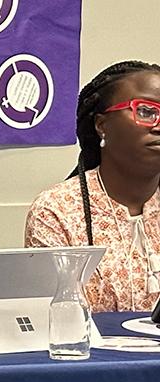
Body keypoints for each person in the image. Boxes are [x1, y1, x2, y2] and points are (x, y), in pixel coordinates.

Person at [26, 60, 160, 312]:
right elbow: (54, 320)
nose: (159, 125)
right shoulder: (56, 211)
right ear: (101, 125)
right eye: (145, 111)